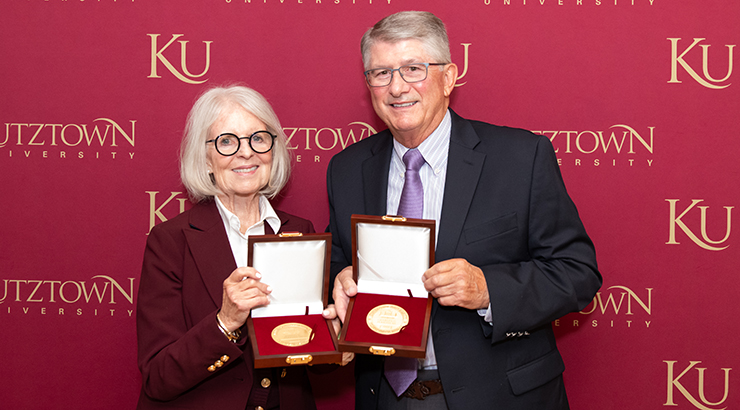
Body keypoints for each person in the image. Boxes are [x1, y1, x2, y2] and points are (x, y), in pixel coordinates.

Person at [323, 11, 602, 410]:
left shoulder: (520, 158)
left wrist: (489, 288)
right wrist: (341, 278)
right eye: (381, 73)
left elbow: (578, 273)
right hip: (387, 397)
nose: (397, 87)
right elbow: (337, 263)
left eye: (413, 69)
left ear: (449, 77)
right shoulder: (347, 169)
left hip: (501, 398)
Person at [137, 85, 318, 410]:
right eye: (226, 142)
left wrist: (332, 332)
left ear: (273, 149)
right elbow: (157, 377)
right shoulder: (171, 241)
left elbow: (308, 354)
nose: (245, 152)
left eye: (258, 138)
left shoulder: (301, 232)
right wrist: (225, 321)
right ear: (205, 158)